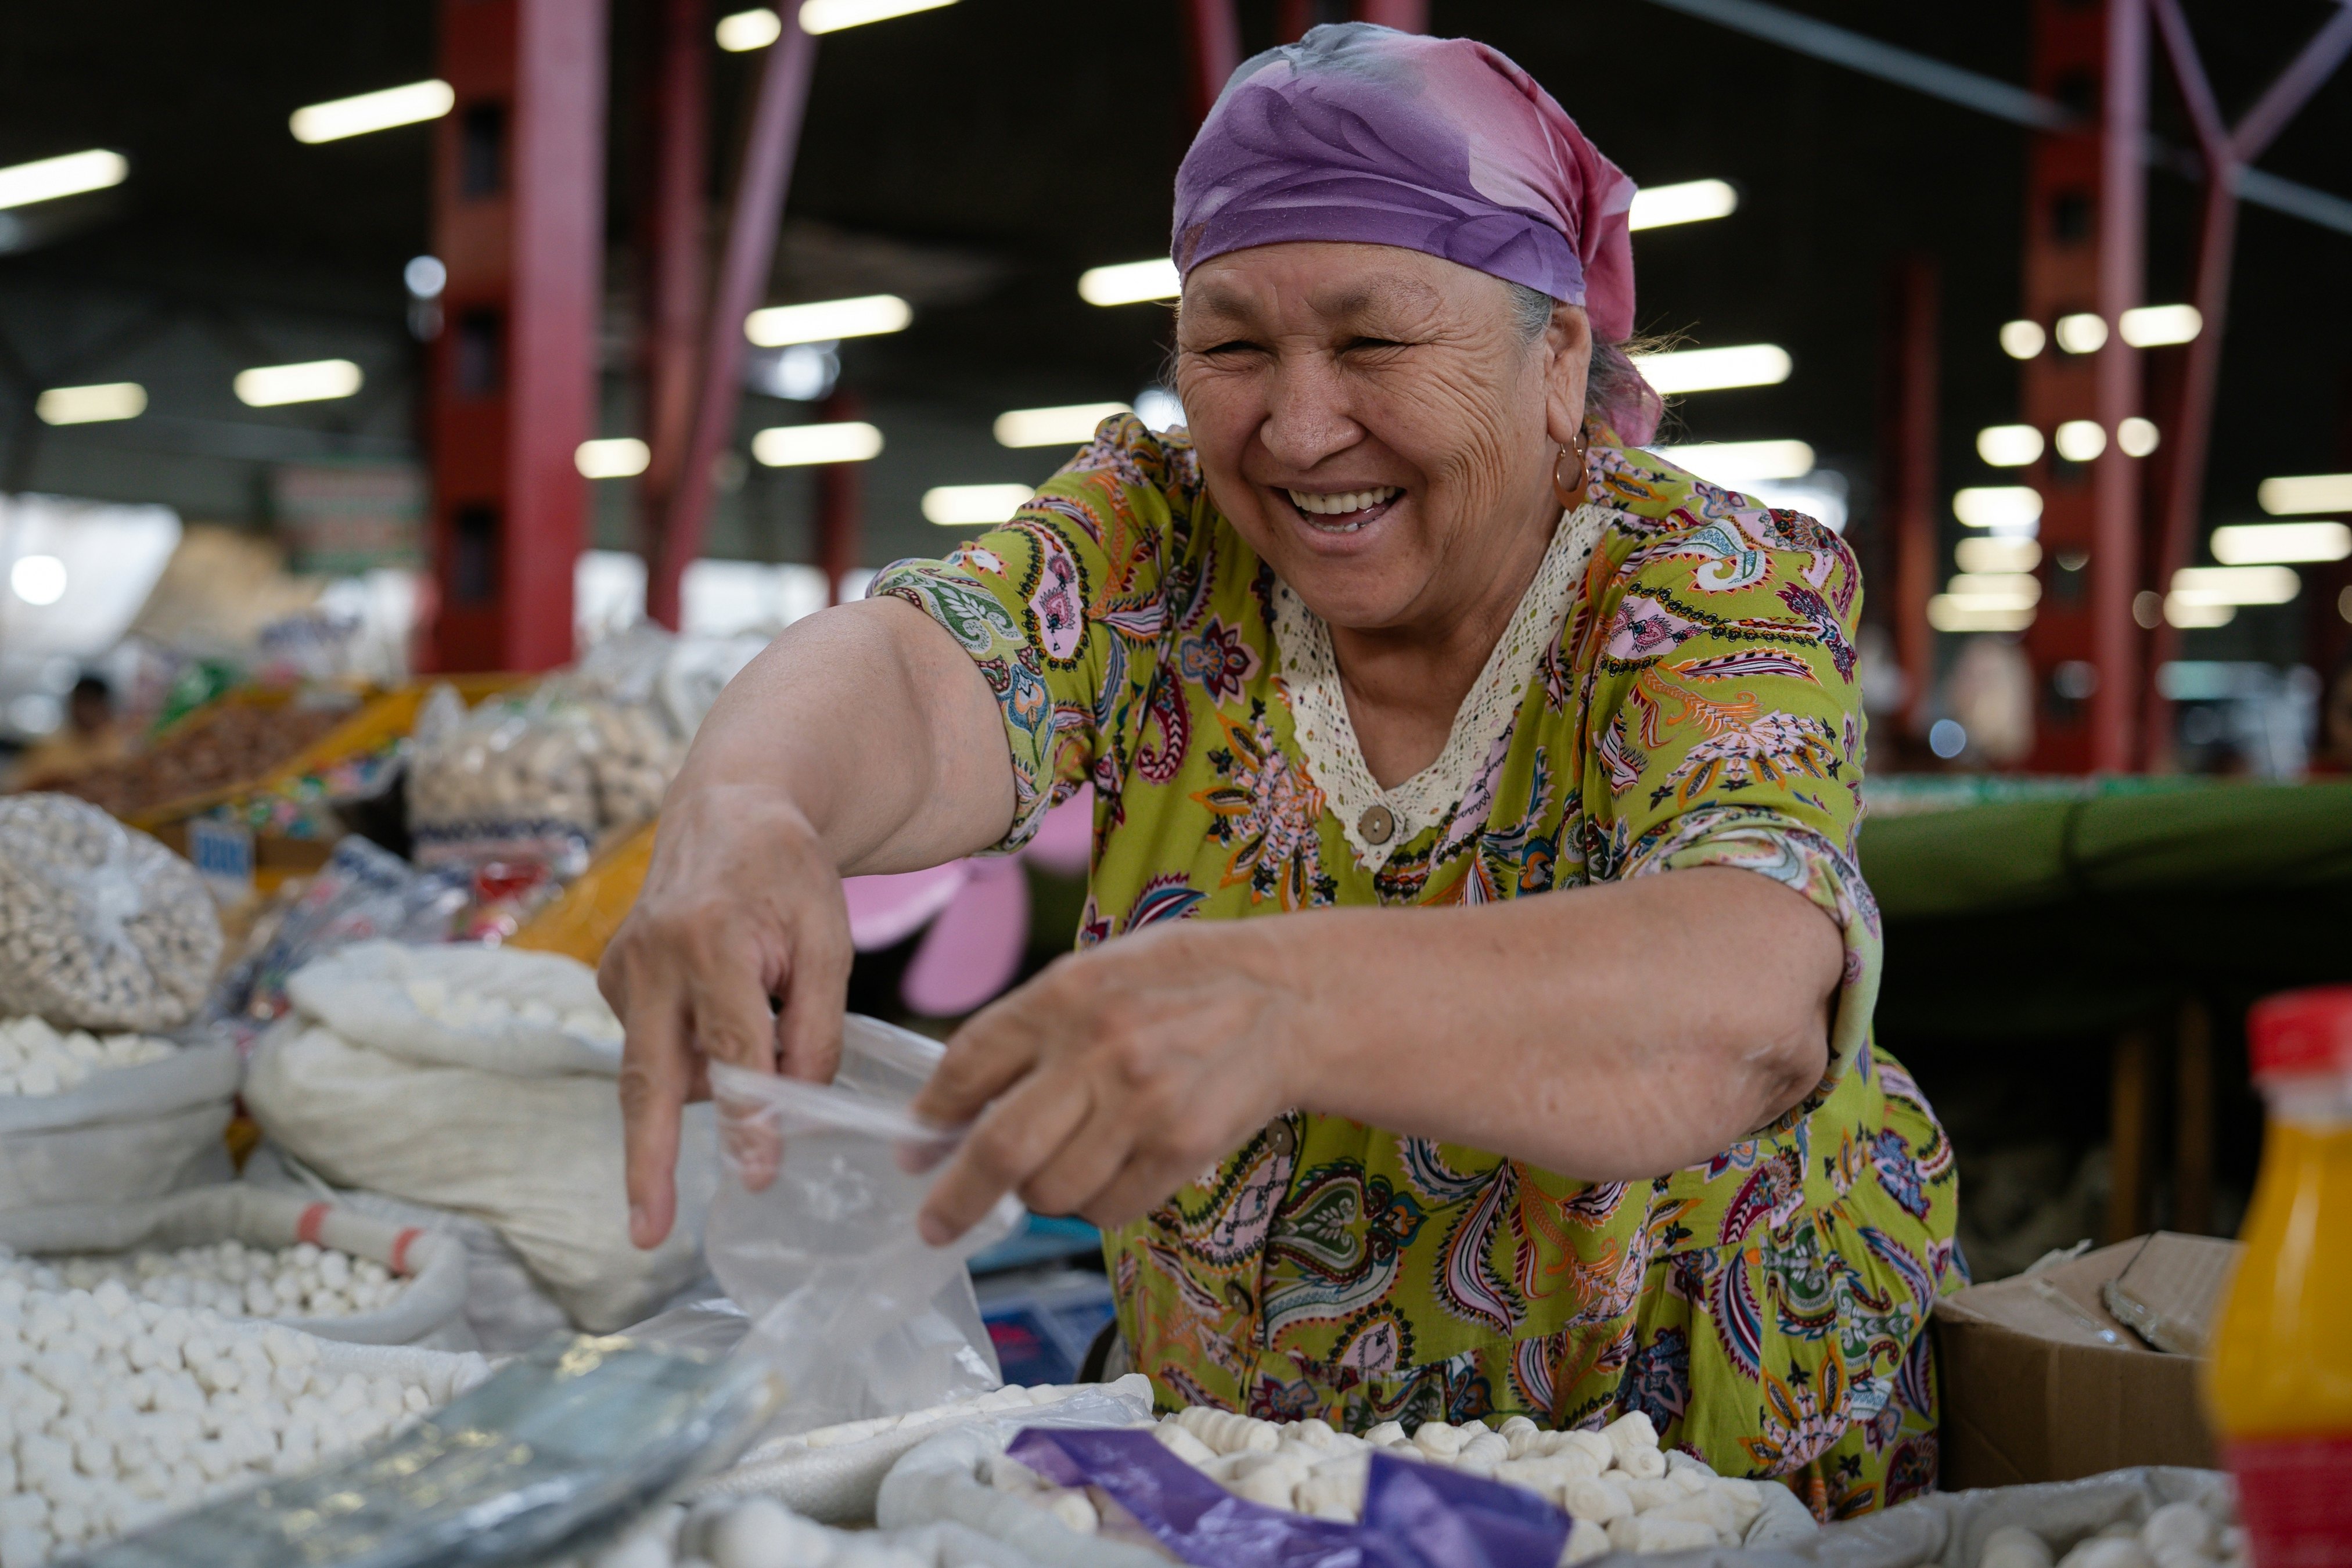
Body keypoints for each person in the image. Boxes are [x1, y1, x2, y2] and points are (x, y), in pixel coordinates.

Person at [602, 23, 1959, 1515]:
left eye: (1373, 342)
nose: (1299, 428)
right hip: (1257, 1482)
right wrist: (746, 810)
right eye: (1232, 346)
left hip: (1667, 1481)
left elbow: (1744, 999)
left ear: (1557, 356)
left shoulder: (1706, 586)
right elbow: (921, 673)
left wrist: (1277, 999)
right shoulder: (1165, 540)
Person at [6, 674, 128, 791]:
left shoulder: (123, 749)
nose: (83, 711)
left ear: (104, 706)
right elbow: (19, 783)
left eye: (90, 703)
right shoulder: (52, 746)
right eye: (79, 702)